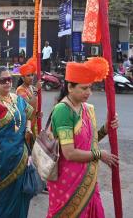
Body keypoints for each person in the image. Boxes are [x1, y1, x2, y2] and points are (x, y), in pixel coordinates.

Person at [47, 57, 119, 218]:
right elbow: (69, 153)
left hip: (88, 181)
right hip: (68, 185)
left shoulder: (86, 108)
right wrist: (100, 154)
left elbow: (90, 141)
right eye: (84, 88)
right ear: (70, 87)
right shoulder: (63, 111)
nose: (89, 93)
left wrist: (106, 129)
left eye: (90, 88)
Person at [0, 66, 34, 218]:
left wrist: (28, 129)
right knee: (4, 202)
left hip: (21, 157)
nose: (7, 83)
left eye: (10, 79)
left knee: (21, 199)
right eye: (3, 80)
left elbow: (30, 114)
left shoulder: (18, 99)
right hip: (2, 161)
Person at [16, 57, 42, 139]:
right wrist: (36, 91)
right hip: (26, 125)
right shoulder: (20, 90)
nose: (31, 77)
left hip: (34, 123)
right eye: (28, 75)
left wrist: (37, 113)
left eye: (32, 75)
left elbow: (35, 107)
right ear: (22, 78)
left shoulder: (31, 87)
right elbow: (30, 106)